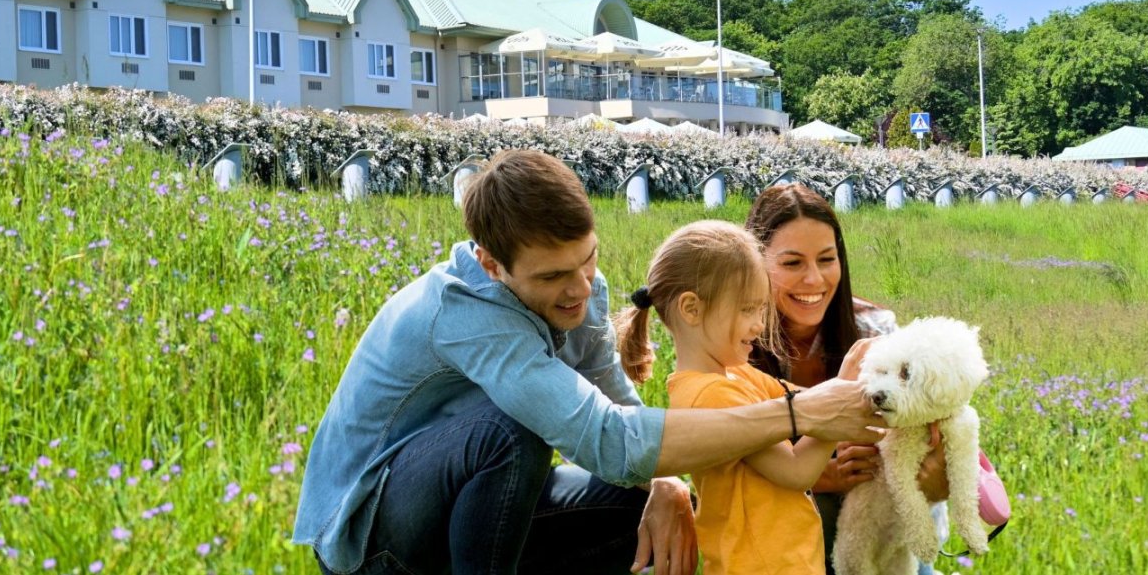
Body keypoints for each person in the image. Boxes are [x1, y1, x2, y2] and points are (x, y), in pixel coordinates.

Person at [293, 150, 886, 575]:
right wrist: (799, 413)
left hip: (474, 514)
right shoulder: (467, 312)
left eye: (588, 260)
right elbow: (606, 442)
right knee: (510, 432)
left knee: (653, 502)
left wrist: (667, 485)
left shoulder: (581, 287)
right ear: (492, 264)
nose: (580, 288)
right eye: (553, 275)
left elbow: (617, 408)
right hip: (376, 538)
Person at [615, 220, 843, 574]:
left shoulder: (736, 373)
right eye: (747, 310)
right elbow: (798, 470)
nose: (758, 324)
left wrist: (848, 388)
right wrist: (839, 412)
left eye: (761, 310)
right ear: (691, 309)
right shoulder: (709, 395)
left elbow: (804, 400)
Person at [745, 184, 951, 575]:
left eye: (826, 259)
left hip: (881, 533)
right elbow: (722, 458)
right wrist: (807, 474)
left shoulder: (876, 332)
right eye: (792, 264)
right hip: (780, 542)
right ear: (753, 263)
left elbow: (926, 440)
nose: (814, 280)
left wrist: (933, 479)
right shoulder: (736, 343)